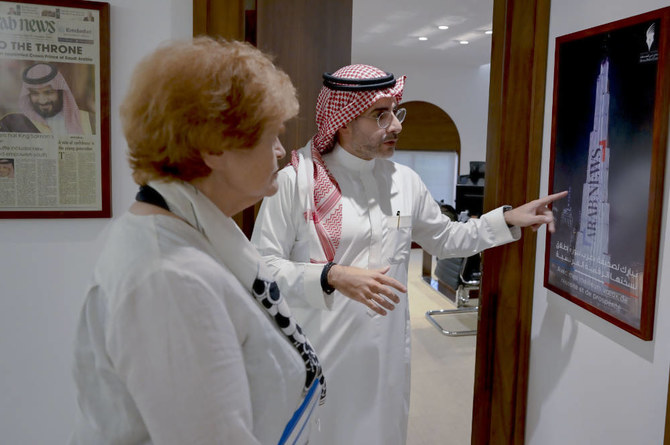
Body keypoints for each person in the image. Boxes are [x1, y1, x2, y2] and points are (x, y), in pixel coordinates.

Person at [251, 64, 567, 445]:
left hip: (385, 360)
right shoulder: (295, 183)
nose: (396, 125)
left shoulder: (404, 182)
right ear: (344, 121)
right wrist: (330, 276)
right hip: (322, 356)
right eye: (379, 115)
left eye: (395, 112)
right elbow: (261, 269)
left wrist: (507, 220)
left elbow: (447, 239)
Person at [70, 37, 325, 445]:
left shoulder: (191, 236)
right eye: (272, 134)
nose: (281, 150)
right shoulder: (170, 280)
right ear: (213, 146)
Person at [0, 63, 94, 135]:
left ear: (61, 92)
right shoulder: (12, 124)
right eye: (35, 93)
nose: (42, 101)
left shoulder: (89, 121)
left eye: (48, 92)